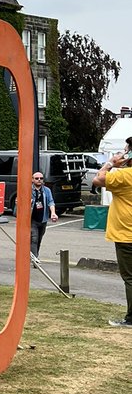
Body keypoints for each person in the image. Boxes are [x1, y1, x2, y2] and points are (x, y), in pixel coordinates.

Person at [92, 138, 132, 327]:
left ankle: (131, 318)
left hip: (127, 234)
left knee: (130, 277)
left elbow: (97, 179)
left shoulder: (125, 176)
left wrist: (111, 163)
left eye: (125, 151)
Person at [30, 170, 58, 262]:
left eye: (41, 178)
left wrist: (53, 213)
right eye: (36, 178)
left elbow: (51, 202)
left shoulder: (46, 190)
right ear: (32, 180)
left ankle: (34, 256)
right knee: (34, 238)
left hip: (43, 219)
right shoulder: (29, 190)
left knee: (38, 240)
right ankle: (35, 259)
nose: (39, 180)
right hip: (32, 219)